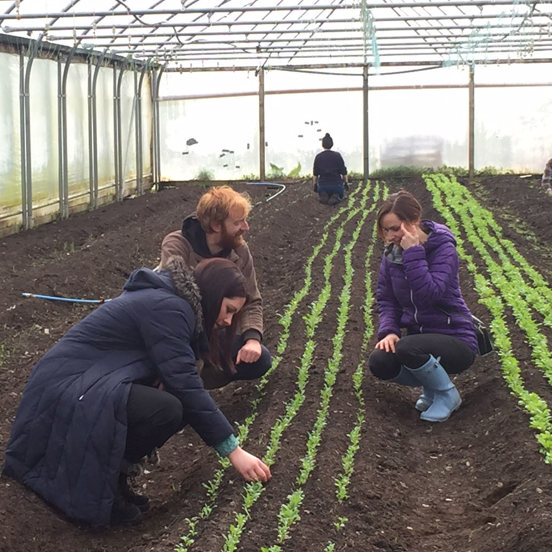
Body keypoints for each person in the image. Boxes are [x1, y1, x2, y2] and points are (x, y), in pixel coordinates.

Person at [3, 257, 271, 528]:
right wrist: (233, 451)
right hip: (66, 386)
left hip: (90, 379)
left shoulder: (175, 303)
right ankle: (102, 486)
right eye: (228, 310)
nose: (228, 320)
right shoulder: (171, 307)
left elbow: (175, 368)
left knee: (173, 403)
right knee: (169, 408)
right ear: (213, 295)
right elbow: (186, 384)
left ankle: (114, 481)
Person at [368, 190, 478, 423]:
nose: (389, 236)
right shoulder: (391, 256)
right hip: (420, 339)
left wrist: (413, 253)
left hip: (457, 338)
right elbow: (387, 300)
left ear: (414, 221)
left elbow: (430, 293)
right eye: (385, 230)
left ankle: (448, 395)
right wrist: (389, 331)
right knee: (381, 360)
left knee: (409, 348)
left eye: (395, 228)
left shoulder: (443, 248)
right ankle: (432, 388)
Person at [160, 185, 271, 389]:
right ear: (216, 225)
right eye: (238, 222)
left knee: (260, 359)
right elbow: (178, 300)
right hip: (184, 333)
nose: (245, 227)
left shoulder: (239, 250)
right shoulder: (178, 245)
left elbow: (251, 299)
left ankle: (199, 384)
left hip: (217, 332)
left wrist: (252, 339)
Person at [312, 132, 348, 206]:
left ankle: (324, 196)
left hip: (323, 186)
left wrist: (315, 185)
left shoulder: (318, 157)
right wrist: (346, 183)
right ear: (332, 144)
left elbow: (315, 174)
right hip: (337, 186)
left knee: (323, 191)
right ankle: (336, 196)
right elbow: (344, 173)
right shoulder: (337, 156)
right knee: (339, 192)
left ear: (323, 145)